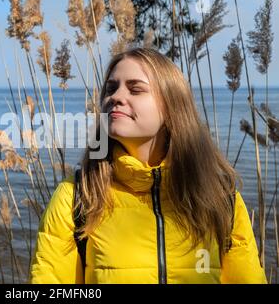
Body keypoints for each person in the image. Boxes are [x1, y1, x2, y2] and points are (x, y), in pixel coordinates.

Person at [29, 47, 267, 284]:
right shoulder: (77, 197)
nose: (116, 97)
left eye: (135, 89)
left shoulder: (221, 198)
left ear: (171, 105)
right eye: (111, 88)